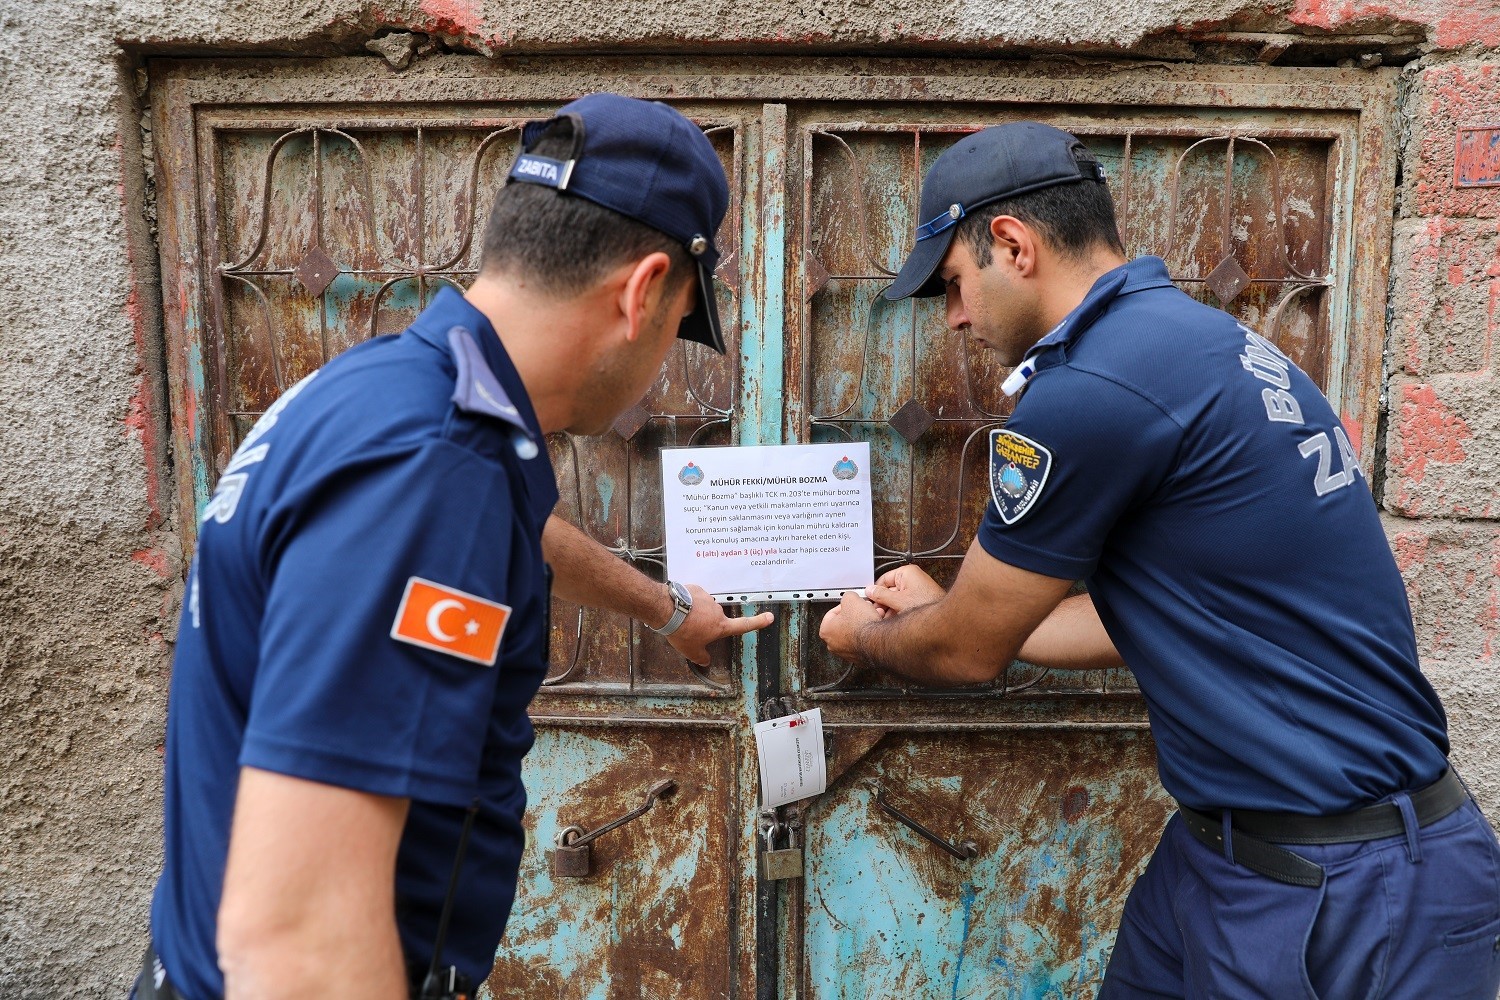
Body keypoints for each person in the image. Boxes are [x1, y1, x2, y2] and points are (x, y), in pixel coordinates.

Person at [818, 121, 1500, 998]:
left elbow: (964, 652)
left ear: (1012, 245)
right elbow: (1154, 609)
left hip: (1350, 883)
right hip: (1229, 854)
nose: (953, 317)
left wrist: (875, 635)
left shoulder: (1092, 388)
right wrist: (963, 605)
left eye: (952, 283)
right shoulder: (1197, 341)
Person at [136, 93, 772, 1000]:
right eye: (679, 325)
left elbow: (512, 526)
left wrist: (664, 608)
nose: (666, 358)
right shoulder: (436, 466)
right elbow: (299, 943)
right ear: (641, 291)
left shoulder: (395, 392)